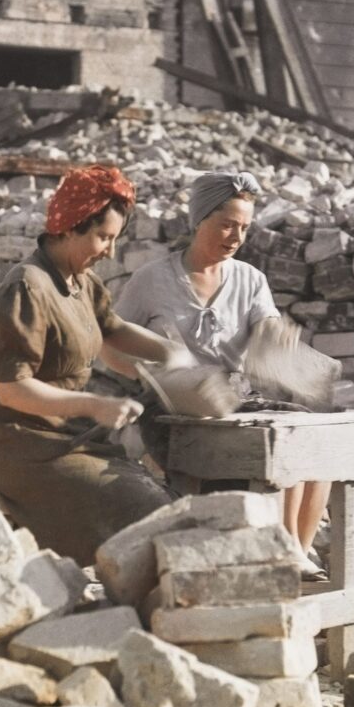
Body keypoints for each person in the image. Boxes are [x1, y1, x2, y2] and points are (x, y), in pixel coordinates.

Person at [111, 170, 330, 579]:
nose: (235, 236)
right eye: (227, 224)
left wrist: (279, 342)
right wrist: (147, 373)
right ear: (199, 220)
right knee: (279, 447)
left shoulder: (250, 280)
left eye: (244, 227)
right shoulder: (152, 280)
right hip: (174, 407)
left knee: (315, 439)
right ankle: (285, 549)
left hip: (232, 399)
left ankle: (298, 549)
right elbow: (110, 342)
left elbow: (266, 328)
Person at [0, 164, 180, 567]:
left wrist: (173, 354)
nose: (109, 251)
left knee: (164, 495)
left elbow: (113, 328)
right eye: (103, 237)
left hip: (73, 438)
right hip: (28, 448)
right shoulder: (28, 287)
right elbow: (12, 389)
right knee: (150, 507)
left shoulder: (81, 281)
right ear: (70, 226)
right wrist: (94, 405)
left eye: (114, 239)